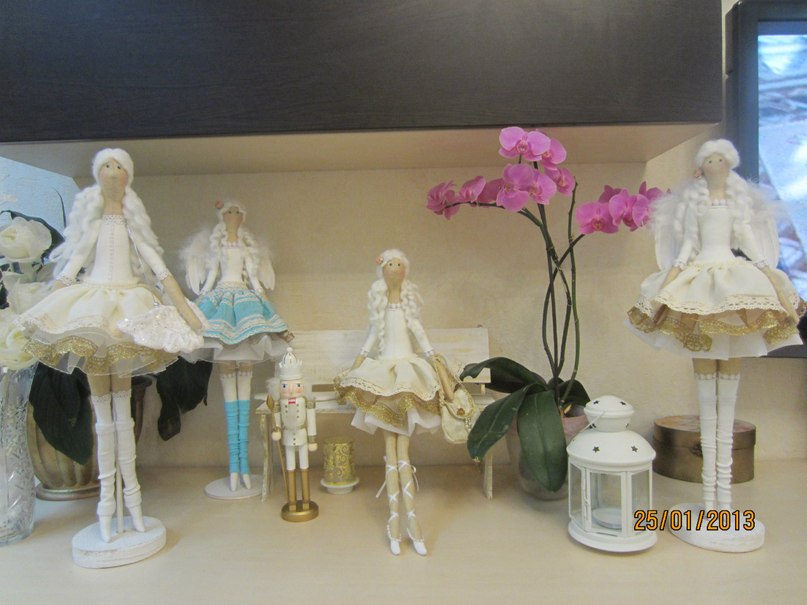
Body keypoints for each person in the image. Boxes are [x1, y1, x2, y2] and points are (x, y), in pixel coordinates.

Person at [19, 148, 204, 542]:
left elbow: (160, 270)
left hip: (128, 307)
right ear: (98, 175)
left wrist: (186, 310)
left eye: (119, 165)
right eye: (106, 165)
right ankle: (106, 505)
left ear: (128, 177)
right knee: (103, 415)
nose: (113, 170)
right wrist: (48, 305)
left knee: (124, 414)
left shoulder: (133, 226)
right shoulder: (92, 226)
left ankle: (132, 502)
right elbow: (70, 267)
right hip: (95, 307)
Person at [627, 139, 802, 513]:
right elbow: (686, 249)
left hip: (733, 281)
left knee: (729, 391)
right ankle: (711, 498)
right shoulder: (694, 206)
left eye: (721, 159)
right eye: (710, 159)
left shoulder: (738, 206)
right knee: (706, 390)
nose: (716, 164)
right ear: (702, 166)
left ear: (730, 164)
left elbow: (750, 243)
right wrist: (667, 283)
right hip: (700, 280)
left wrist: (770, 274)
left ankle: (724, 498)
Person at [336, 249, 454, 556]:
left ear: (405, 271)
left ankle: (411, 523)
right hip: (384, 375)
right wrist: (353, 370)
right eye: (390, 264)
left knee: (402, 450)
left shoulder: (409, 312)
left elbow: (423, 340)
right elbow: (369, 342)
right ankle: (395, 522)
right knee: (391, 449)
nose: (395, 267)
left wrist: (438, 366)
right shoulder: (380, 314)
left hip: (408, 376)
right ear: (383, 272)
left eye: (399, 264)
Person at [183, 200, 292, 492]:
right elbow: (208, 281)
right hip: (221, 302)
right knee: (227, 381)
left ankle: (243, 465)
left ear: (243, 217)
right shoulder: (217, 249)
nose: (233, 216)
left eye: (237, 212)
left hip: (245, 305)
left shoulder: (247, 249)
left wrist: (270, 310)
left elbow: (256, 281)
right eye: (228, 212)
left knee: (244, 377)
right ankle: (235, 464)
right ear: (222, 217)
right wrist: (196, 308)